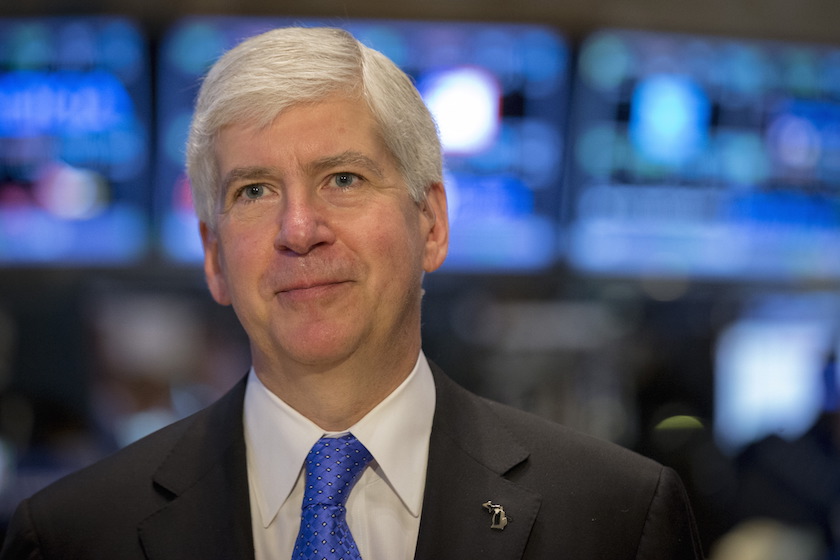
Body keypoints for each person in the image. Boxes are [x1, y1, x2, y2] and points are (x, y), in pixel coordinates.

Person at [0, 26, 703, 559]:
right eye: (254, 191)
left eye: (343, 179)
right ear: (215, 258)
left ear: (430, 223)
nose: (299, 229)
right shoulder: (69, 536)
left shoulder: (618, 517)